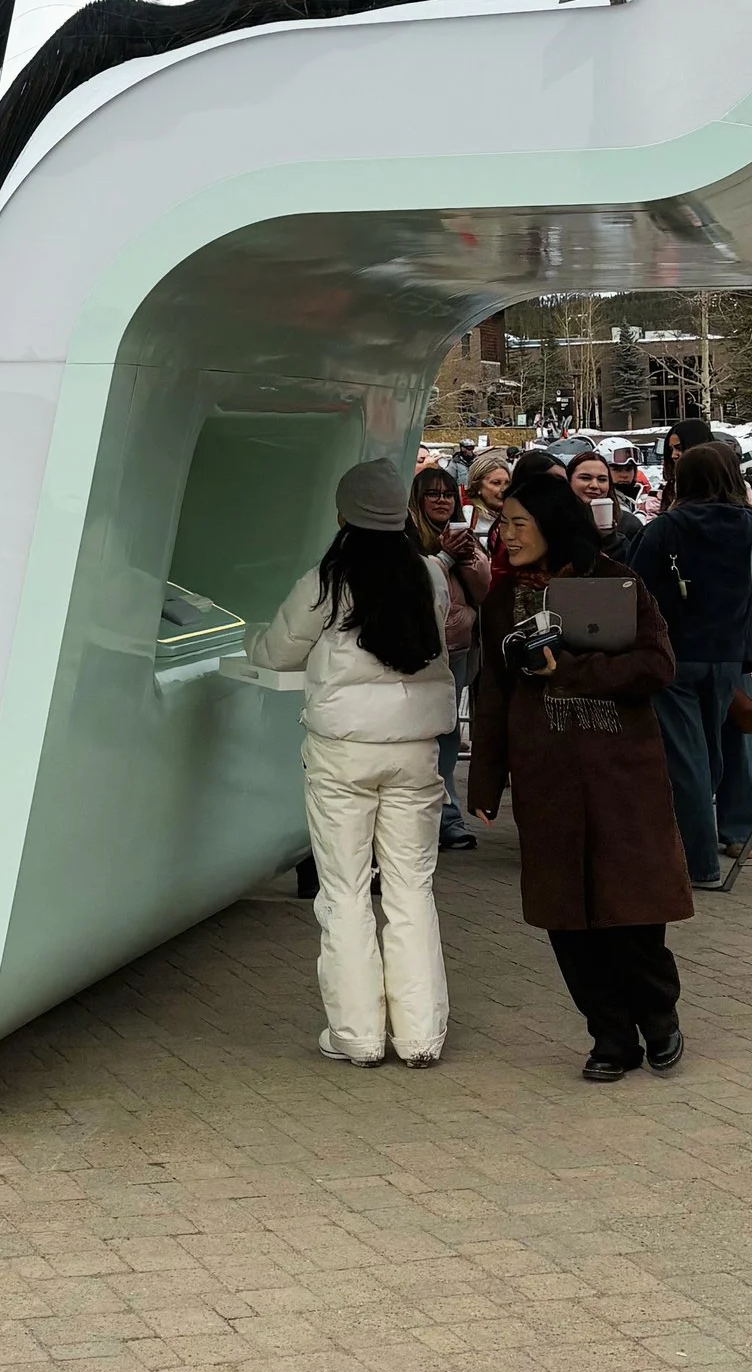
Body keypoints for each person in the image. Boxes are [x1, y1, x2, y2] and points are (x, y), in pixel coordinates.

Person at [467, 458, 692, 1081]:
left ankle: (659, 1016)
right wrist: (486, 781)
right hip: (547, 774)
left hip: (621, 769)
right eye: (502, 522)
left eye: (517, 522)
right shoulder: (503, 599)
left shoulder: (617, 583)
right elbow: (492, 694)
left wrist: (566, 668)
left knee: (633, 908)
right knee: (566, 914)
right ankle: (610, 1037)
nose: (506, 534)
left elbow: (655, 667)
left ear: (551, 522)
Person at [248, 458, 456, 1068]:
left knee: (344, 891)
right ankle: (421, 1037)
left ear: (342, 515)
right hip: (417, 752)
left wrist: (249, 640)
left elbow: (278, 651)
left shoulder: (327, 580)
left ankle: (358, 1036)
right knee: (412, 888)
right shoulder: (430, 575)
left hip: (342, 754)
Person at [632, 438, 752, 885]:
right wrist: (748, 502)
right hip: (726, 658)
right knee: (713, 752)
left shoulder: (667, 527)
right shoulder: (749, 525)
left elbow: (635, 579)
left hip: (676, 657)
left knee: (687, 759)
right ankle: (712, 840)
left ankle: (698, 863)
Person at [409, 462, 486, 849]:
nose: (441, 501)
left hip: (456, 651)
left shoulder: (465, 535)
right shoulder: (408, 539)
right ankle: (428, 818)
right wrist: (443, 555)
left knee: (450, 733)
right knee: (423, 734)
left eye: (447, 494)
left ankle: (448, 815)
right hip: (421, 652)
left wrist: (468, 555)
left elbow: (483, 590)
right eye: (432, 494)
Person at [563, 445, 638, 561]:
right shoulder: (552, 523)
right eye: (585, 478)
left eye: (602, 479)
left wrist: (609, 539)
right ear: (569, 480)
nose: (594, 485)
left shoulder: (628, 524)